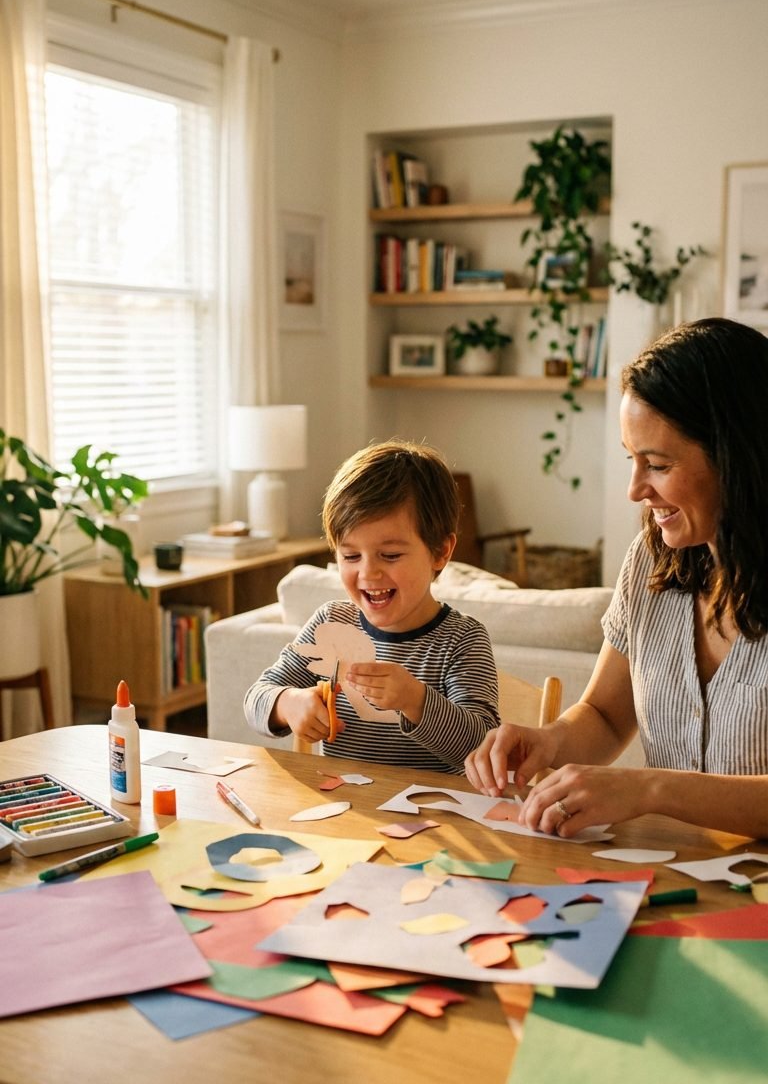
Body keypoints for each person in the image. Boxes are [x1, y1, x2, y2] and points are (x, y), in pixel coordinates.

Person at [465, 318, 768, 840]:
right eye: (632, 459)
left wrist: (649, 788)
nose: (635, 489)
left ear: (736, 457)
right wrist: (548, 741)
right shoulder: (651, 561)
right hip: (669, 867)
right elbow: (605, 715)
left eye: (658, 464)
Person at [244, 439, 499, 772]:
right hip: (345, 800)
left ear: (440, 552)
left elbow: (483, 746)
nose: (368, 573)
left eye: (390, 555)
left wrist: (416, 701)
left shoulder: (462, 639)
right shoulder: (331, 623)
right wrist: (287, 703)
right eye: (351, 556)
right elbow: (256, 698)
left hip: (434, 804)